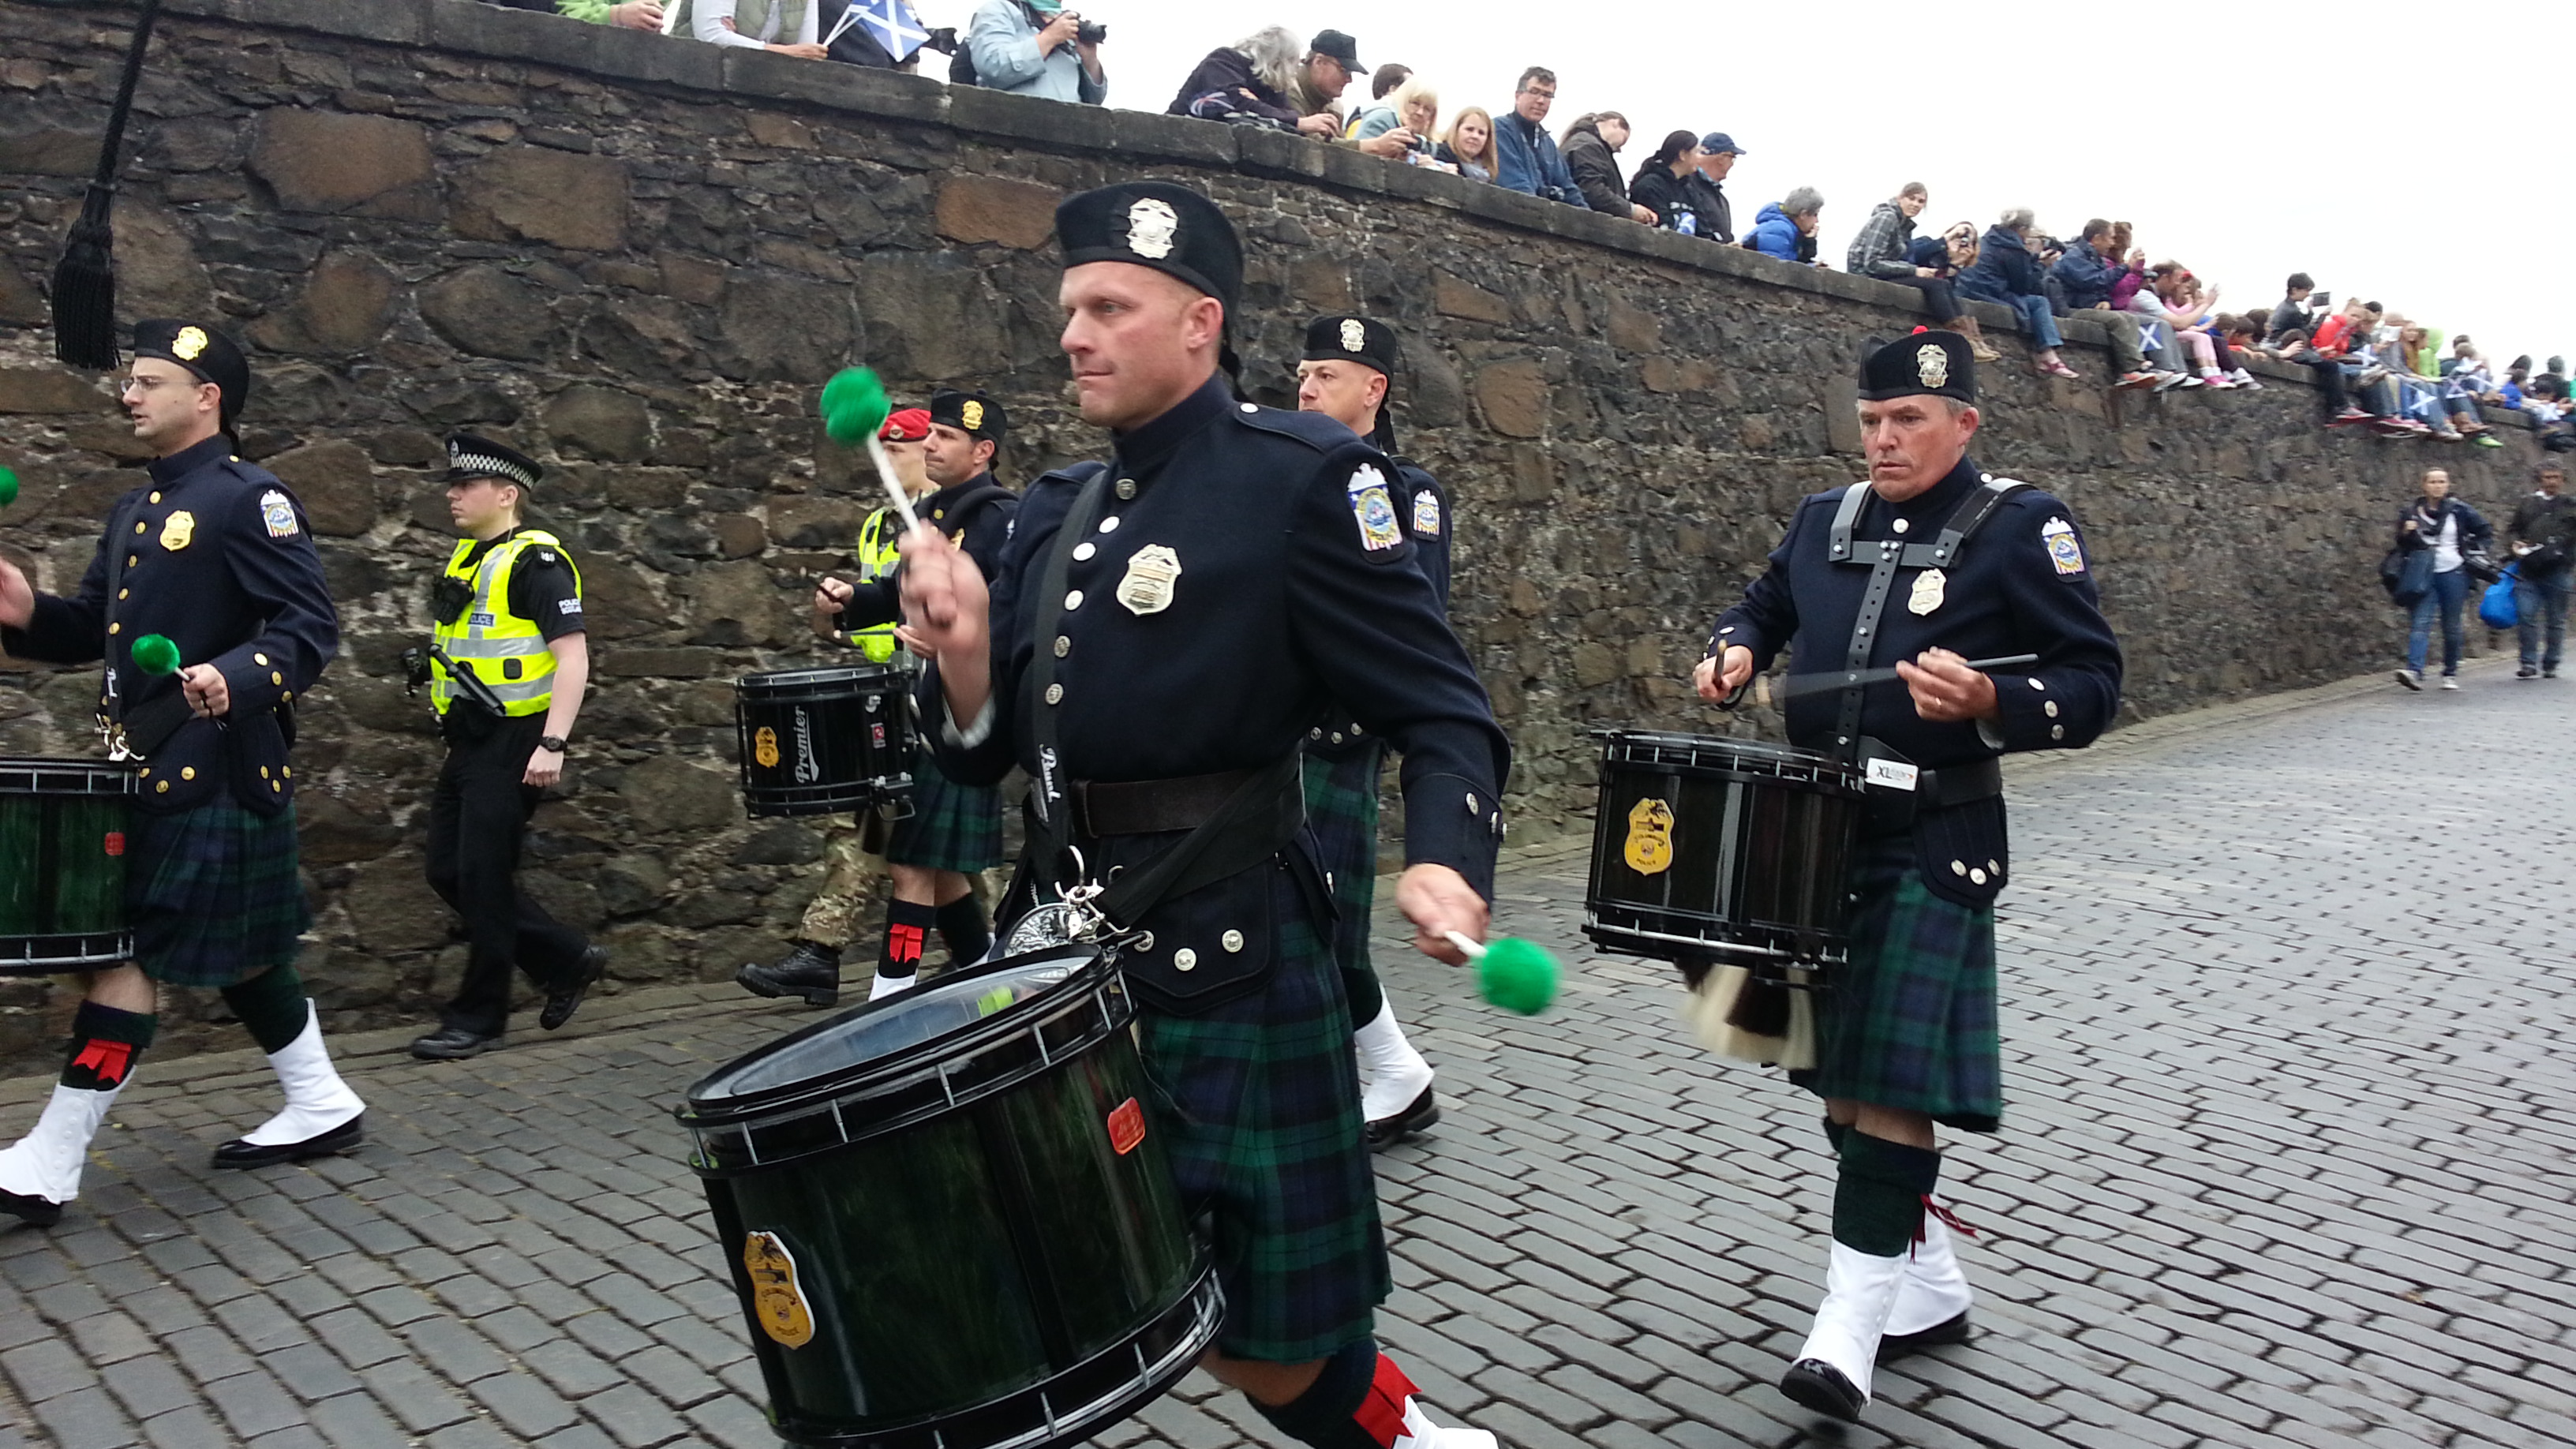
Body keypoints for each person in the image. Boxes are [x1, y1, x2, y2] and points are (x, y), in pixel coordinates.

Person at [899, 180, 1508, 1449]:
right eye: (1070, 307)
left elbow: (1445, 710)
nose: (1074, 333)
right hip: (1063, 960)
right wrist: (959, 654)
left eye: (1110, 306)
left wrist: (1445, 863)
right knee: (1029, 1293)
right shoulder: (1055, 510)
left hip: (1226, 956)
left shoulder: (1307, 482)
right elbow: (985, 760)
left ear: (1199, 323)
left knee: (1270, 1344)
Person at [1694, 331, 2122, 1424]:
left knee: (1885, 1084)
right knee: (1838, 1077)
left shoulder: (2023, 527)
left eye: (1909, 423)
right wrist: (1734, 648)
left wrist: (1992, 704)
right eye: (1873, 421)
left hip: (1932, 838)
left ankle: (1845, 1332)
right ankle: (1924, 1278)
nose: (1883, 441)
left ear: (1964, 423)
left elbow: (2093, 680)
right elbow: (1760, 604)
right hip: (1812, 838)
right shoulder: (1821, 520)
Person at [0, 320, 366, 1227]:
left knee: (125, 955)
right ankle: (322, 1101)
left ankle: (51, 1158)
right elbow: (93, 627)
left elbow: (308, 629)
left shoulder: (252, 499)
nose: (130, 394)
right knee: (247, 956)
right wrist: (25, 611)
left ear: (208, 398)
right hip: (150, 767)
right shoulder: (136, 511)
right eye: (130, 380)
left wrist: (233, 678)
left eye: (151, 381)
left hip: (217, 769)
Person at [743, 393, 1018, 1006]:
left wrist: (963, 644)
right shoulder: (930, 518)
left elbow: (1016, 609)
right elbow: (895, 592)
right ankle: (989, 980)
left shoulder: (1001, 517)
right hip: (910, 703)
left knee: (913, 863)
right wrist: (850, 602)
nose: (930, 446)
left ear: (983, 451)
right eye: (931, 435)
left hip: (963, 713)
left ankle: (890, 1001)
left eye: (945, 436)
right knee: (936, 869)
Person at [1295, 313, 1452, 1147]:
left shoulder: (1403, 492)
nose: (1307, 387)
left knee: (1325, 926)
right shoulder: (1283, 474)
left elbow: (1408, 623)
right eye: (1304, 373)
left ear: (1374, 389)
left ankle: (1385, 1077)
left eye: (1326, 374)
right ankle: (1393, 1072)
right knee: (1296, 922)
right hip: (1269, 738)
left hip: (1333, 737)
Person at [406, 436, 606, 1059]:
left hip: (519, 737)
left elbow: (573, 658)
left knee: (484, 877)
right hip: (470, 739)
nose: (453, 495)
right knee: (448, 869)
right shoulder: (466, 558)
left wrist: (553, 742)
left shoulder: (536, 564)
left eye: (465, 486)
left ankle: (479, 1018)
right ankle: (566, 958)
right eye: (453, 485)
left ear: (507, 494)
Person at [1848, 184, 1994, 361]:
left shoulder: (1904, 226)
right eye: (1912, 199)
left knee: (1942, 284)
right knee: (1935, 286)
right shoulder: (1887, 218)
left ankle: (1972, 338)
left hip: (1884, 273)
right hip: (1868, 274)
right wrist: (1915, 271)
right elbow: (1872, 263)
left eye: (1921, 202)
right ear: (1900, 198)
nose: (1916, 205)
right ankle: (1963, 339)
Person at [2391, 469, 2492, 691]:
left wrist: (2476, 551)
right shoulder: (2411, 511)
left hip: (2454, 572)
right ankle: (2414, 671)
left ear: (2448, 485)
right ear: (2424, 485)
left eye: (2442, 481)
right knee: (2421, 621)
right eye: (2433, 482)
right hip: (2424, 573)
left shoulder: (2459, 510)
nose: (2438, 486)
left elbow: (2485, 531)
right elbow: (2400, 543)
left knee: (2451, 625)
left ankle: (2450, 671)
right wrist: (2406, 532)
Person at [1953, 208, 2077, 379]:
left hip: (1968, 289)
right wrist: (2042, 266)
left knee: (2033, 303)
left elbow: (2004, 264)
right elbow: (2022, 287)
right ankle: (2048, 354)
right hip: (1989, 294)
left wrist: (2034, 259)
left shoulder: (1990, 238)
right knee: (2039, 302)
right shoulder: (2013, 248)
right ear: (2023, 229)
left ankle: (2045, 355)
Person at [2049, 219, 2162, 388]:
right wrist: (2125, 268)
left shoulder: (2096, 259)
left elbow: (2104, 288)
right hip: (2070, 309)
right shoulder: (2074, 257)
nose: (2112, 243)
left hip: (2088, 306)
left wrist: (2106, 301)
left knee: (2129, 318)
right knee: (2116, 320)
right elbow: (2090, 281)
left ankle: (2136, 364)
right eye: (2110, 238)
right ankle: (2130, 369)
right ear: (2096, 238)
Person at [966, 0, 1105, 105]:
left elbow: (1094, 103)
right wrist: (1048, 38)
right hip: (1010, 133)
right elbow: (993, 67)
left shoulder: (1065, 26)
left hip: (1066, 136)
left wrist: (1089, 59)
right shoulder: (996, 10)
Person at [1168, 25, 1306, 130]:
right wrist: (1295, 121)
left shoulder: (1271, 82)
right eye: (1293, 61)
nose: (1296, 69)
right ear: (1278, 59)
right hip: (1179, 133)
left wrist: (1258, 104)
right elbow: (1237, 102)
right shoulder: (1223, 61)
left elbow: (1287, 113)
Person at [2509, 463, 2575, 679]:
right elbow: (2513, 530)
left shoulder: (2570, 505)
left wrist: (2567, 559)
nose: (2552, 481)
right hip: (2528, 569)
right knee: (2526, 614)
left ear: (2563, 480)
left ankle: (2551, 662)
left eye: (2556, 477)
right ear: (2539, 480)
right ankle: (2528, 662)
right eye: (2548, 477)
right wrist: (2514, 544)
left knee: (2555, 619)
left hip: (2558, 570)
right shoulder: (2527, 504)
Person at [1492, 66, 1583, 206]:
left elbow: (1569, 189)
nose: (1541, 101)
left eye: (1547, 95)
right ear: (1518, 96)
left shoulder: (1547, 143)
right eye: (1534, 92)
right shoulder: (1501, 130)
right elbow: (1516, 185)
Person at [1559, 111, 1655, 223]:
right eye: (1623, 140)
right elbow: (1592, 189)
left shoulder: (1581, 142)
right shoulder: (1589, 146)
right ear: (1616, 124)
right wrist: (1630, 210)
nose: (1619, 149)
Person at [674, 0, 828, 57]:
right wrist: (783, 51)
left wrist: (738, 40)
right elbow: (711, 36)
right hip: (694, 73)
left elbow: (807, 51)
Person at [1350, 76, 1440, 164]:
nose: (1420, 112)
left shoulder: (1427, 144)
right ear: (1403, 101)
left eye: (1427, 109)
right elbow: (1357, 161)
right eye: (1415, 103)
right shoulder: (1381, 120)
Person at [1627, 129, 1705, 233]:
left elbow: (1703, 230)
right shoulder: (1650, 186)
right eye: (1696, 152)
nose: (1699, 158)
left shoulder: (1690, 190)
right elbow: (1661, 227)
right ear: (1682, 155)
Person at [1683, 132, 1744, 244]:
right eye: (1732, 158)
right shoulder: (1686, 185)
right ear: (1721, 158)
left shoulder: (1722, 200)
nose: (1732, 164)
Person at [1745, 187, 1824, 265]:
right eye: (1815, 215)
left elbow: (1795, 263)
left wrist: (1808, 242)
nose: (1817, 221)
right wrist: (1814, 268)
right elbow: (1773, 268)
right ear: (1803, 214)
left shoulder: (1791, 231)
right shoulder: (1779, 230)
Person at [1436, 106, 1498, 182]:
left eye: (1481, 133)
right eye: (1469, 129)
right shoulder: (1439, 155)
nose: (1475, 136)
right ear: (1456, 129)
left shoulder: (1488, 176)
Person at [2268, 272, 2316, 347]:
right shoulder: (2292, 311)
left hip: (2278, 344)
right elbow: (2309, 334)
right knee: (2316, 358)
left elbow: (2301, 325)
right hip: (2284, 346)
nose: (2308, 294)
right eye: (2307, 290)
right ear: (2295, 290)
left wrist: (2310, 312)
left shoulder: (2284, 306)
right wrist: (2322, 316)